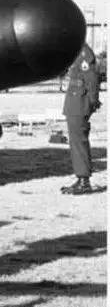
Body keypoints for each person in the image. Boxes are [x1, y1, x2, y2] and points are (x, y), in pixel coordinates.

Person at [60, 43, 101, 195]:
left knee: (79, 142)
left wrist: (92, 102)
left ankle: (84, 181)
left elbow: (92, 79)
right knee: (76, 142)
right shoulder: (75, 49)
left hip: (80, 103)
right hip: (74, 103)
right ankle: (81, 178)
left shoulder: (84, 52)